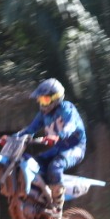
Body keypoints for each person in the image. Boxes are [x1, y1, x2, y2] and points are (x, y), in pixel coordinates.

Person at [17, 78, 87, 211]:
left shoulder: (66, 108)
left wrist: (59, 136)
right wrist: (12, 138)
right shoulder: (43, 114)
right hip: (57, 149)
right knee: (32, 162)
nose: (42, 104)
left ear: (56, 99)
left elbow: (71, 125)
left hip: (76, 148)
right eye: (40, 100)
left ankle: (58, 206)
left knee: (55, 166)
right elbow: (30, 129)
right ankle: (41, 198)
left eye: (45, 100)